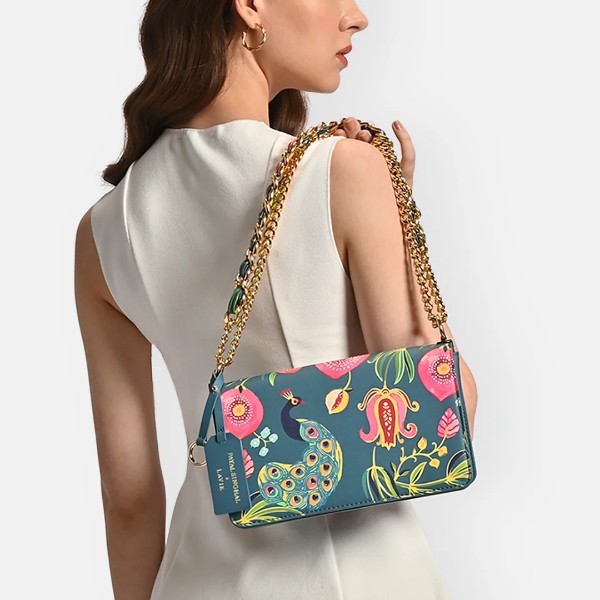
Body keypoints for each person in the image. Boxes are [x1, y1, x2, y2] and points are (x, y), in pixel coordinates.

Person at [74, 1, 478, 598]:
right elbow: (446, 414)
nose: (357, 16)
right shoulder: (344, 170)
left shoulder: (103, 232)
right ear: (250, 6)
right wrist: (391, 215)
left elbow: (129, 497)